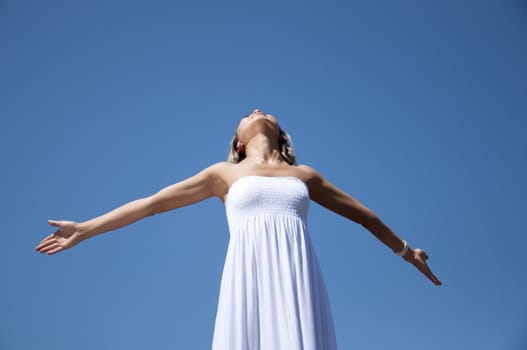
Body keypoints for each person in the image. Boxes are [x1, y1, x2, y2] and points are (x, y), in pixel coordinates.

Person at [36, 108, 441, 349]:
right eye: (247, 114)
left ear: (281, 135)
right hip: (249, 281)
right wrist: (85, 228)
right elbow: (152, 204)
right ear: (239, 143)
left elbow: (364, 216)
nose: (256, 109)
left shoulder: (305, 175)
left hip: (297, 282)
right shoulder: (223, 175)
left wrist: (406, 250)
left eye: (263, 112)